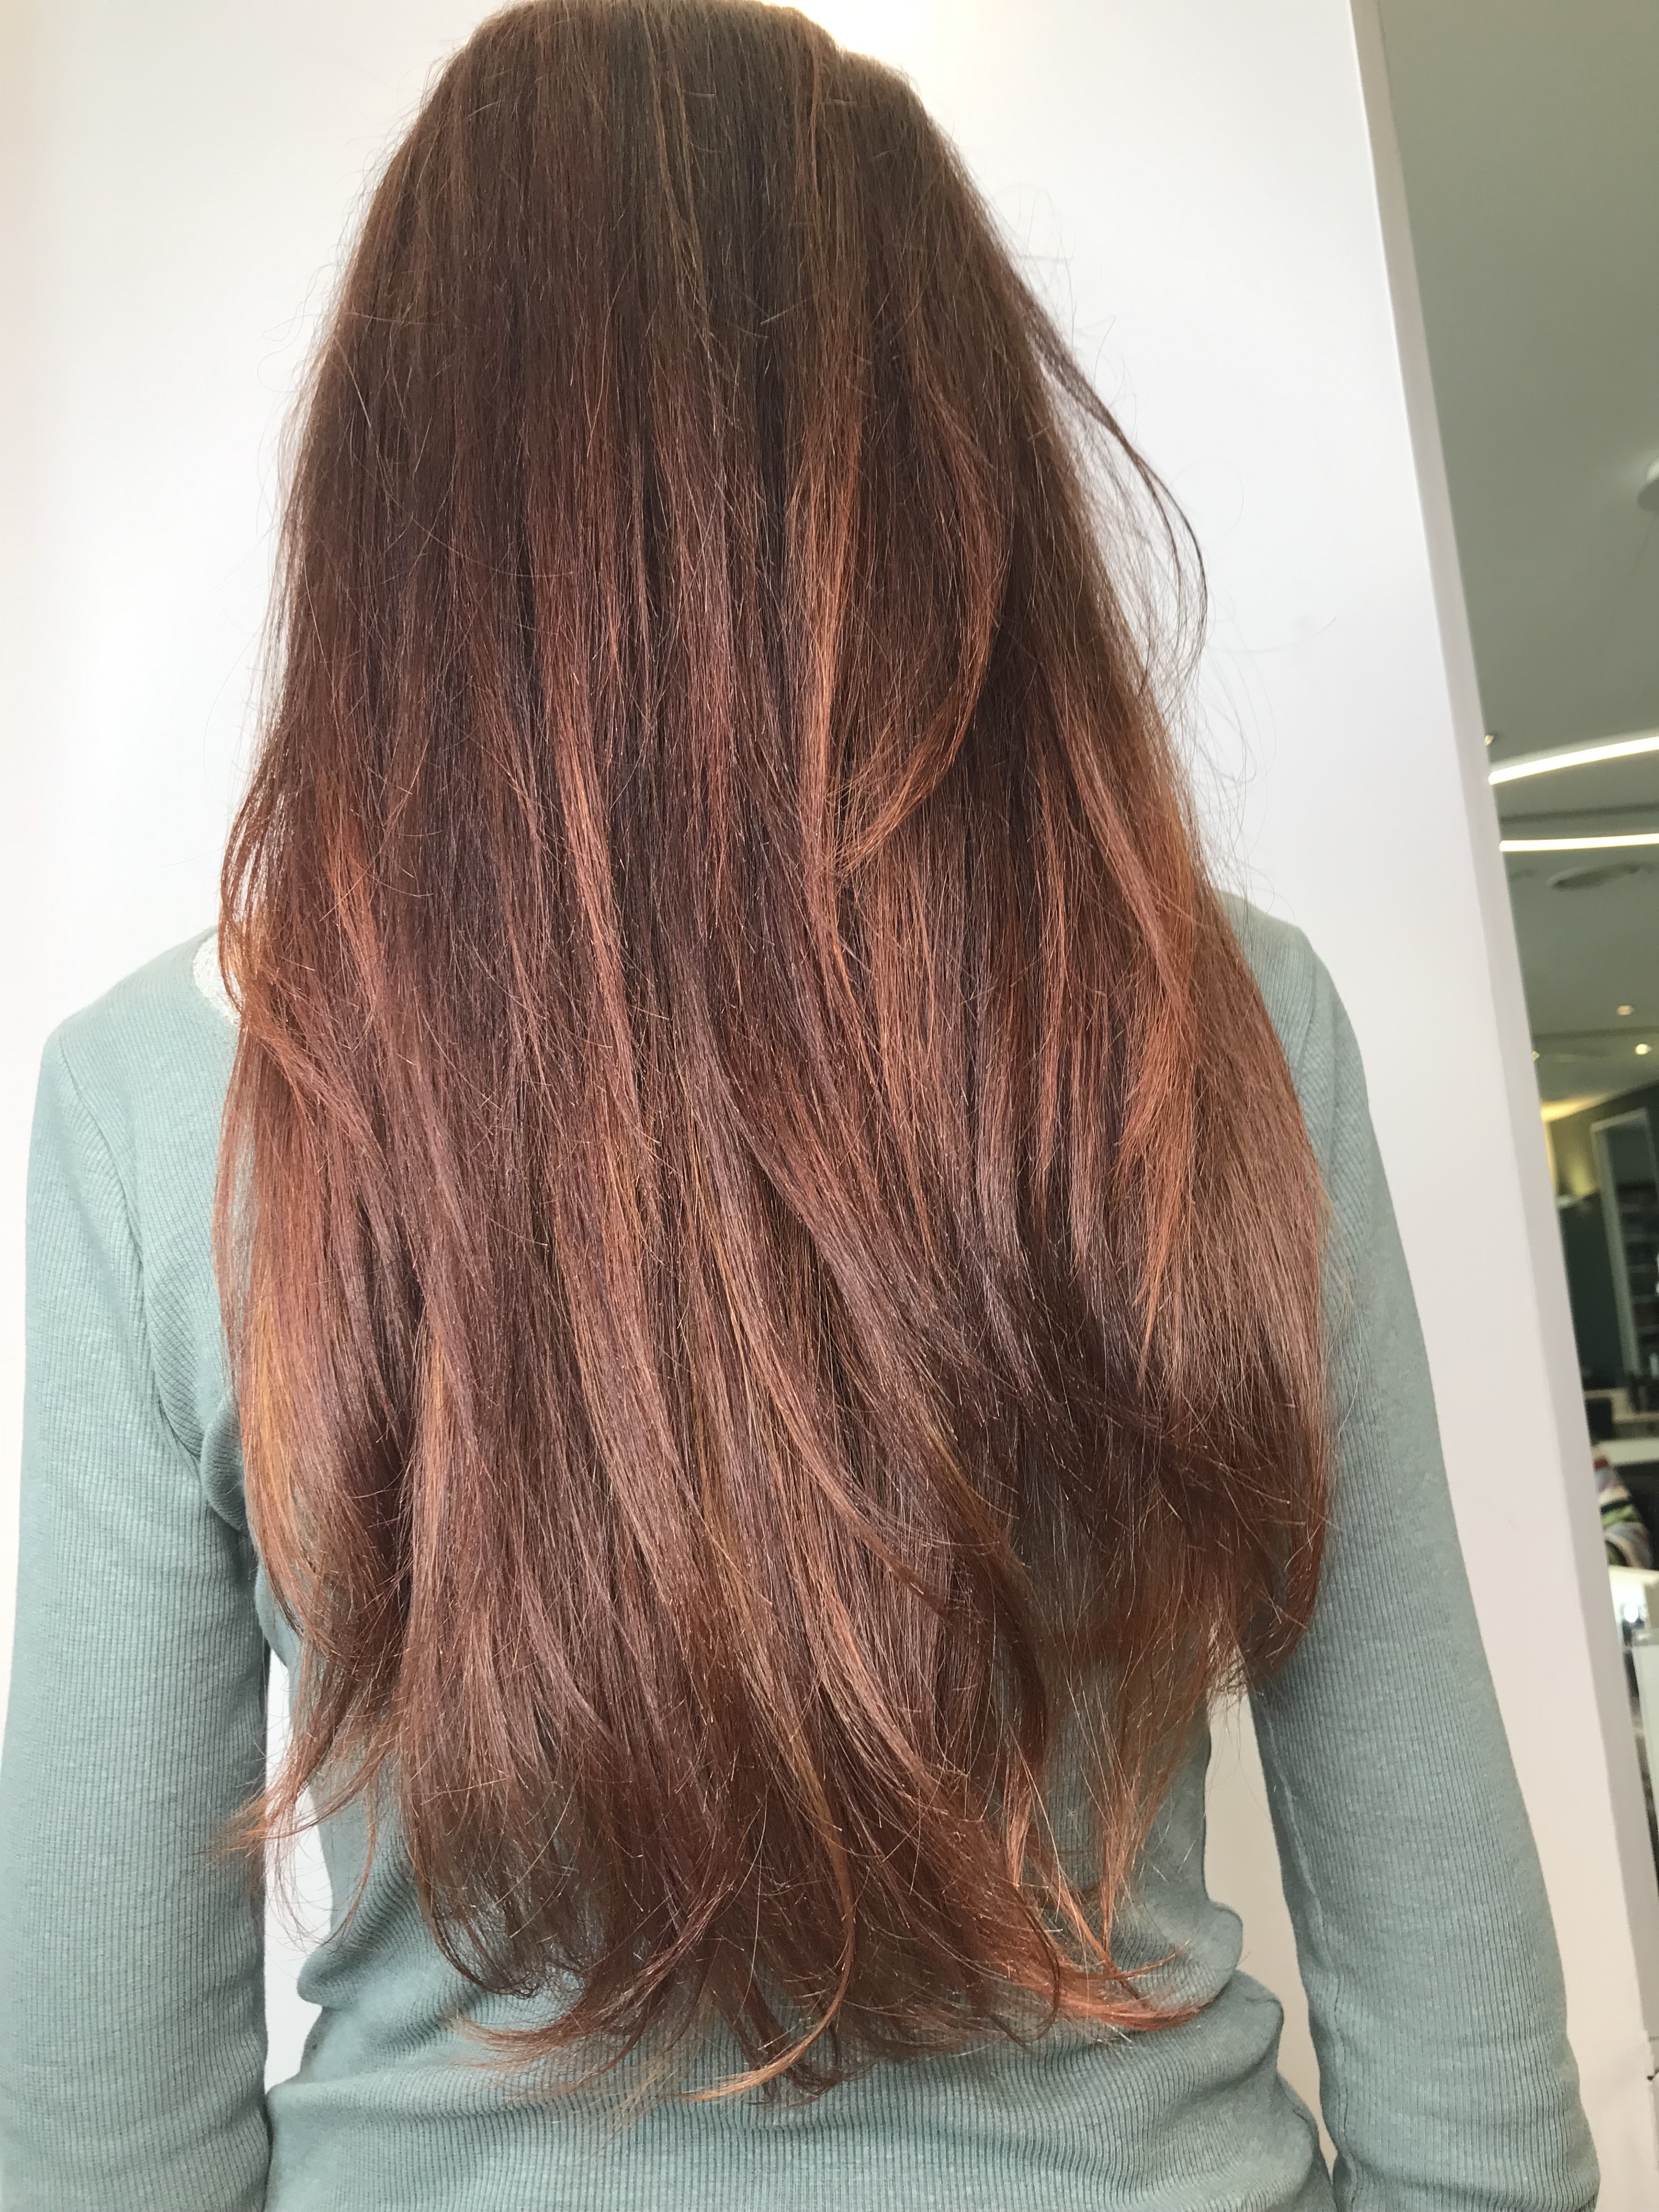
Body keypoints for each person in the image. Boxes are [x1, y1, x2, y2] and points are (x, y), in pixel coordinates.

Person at [0, 4, 1598, 2207]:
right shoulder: (1215, 1020)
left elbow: (102, 2134)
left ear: (405, 495)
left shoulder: (159, 1099)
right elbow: (1469, 2077)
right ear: (960, 468)